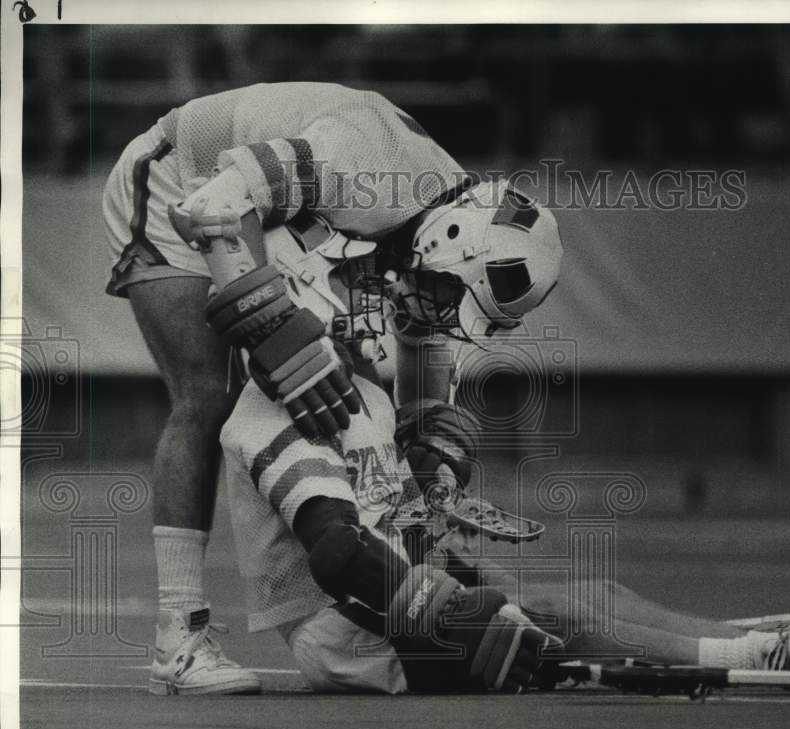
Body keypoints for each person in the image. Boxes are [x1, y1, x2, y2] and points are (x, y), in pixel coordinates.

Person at [101, 83, 558, 694]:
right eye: (455, 299)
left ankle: (374, 582)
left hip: (248, 202)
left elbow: (423, 337)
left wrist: (428, 434)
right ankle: (177, 637)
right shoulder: (365, 168)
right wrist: (273, 325)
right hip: (178, 178)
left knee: (343, 373)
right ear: (451, 240)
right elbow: (215, 207)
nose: (447, 316)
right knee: (205, 396)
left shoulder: (441, 215)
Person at [217, 355, 790, 695]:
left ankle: (785, 645)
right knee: (559, 617)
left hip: (383, 602)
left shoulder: (362, 392)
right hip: (346, 635)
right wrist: (442, 610)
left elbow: (392, 524)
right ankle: (773, 657)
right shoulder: (272, 415)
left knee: (597, 596)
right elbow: (337, 550)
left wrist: (459, 563)